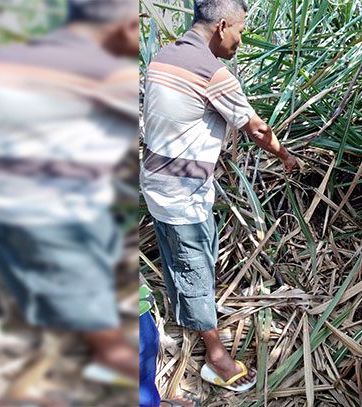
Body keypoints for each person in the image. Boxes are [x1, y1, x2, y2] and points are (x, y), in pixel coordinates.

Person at [0, 0, 141, 385]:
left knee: (43, 270)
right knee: (80, 284)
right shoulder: (106, 74)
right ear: (125, 26)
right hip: (45, 212)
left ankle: (54, 319)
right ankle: (109, 354)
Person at [140, 0, 298, 393]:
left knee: (182, 254)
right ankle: (215, 358)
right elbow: (257, 130)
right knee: (195, 267)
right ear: (223, 25)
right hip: (181, 194)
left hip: (157, 181)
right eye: (241, 31)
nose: (240, 41)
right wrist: (286, 156)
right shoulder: (213, 73)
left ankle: (187, 317)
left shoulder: (163, 57)